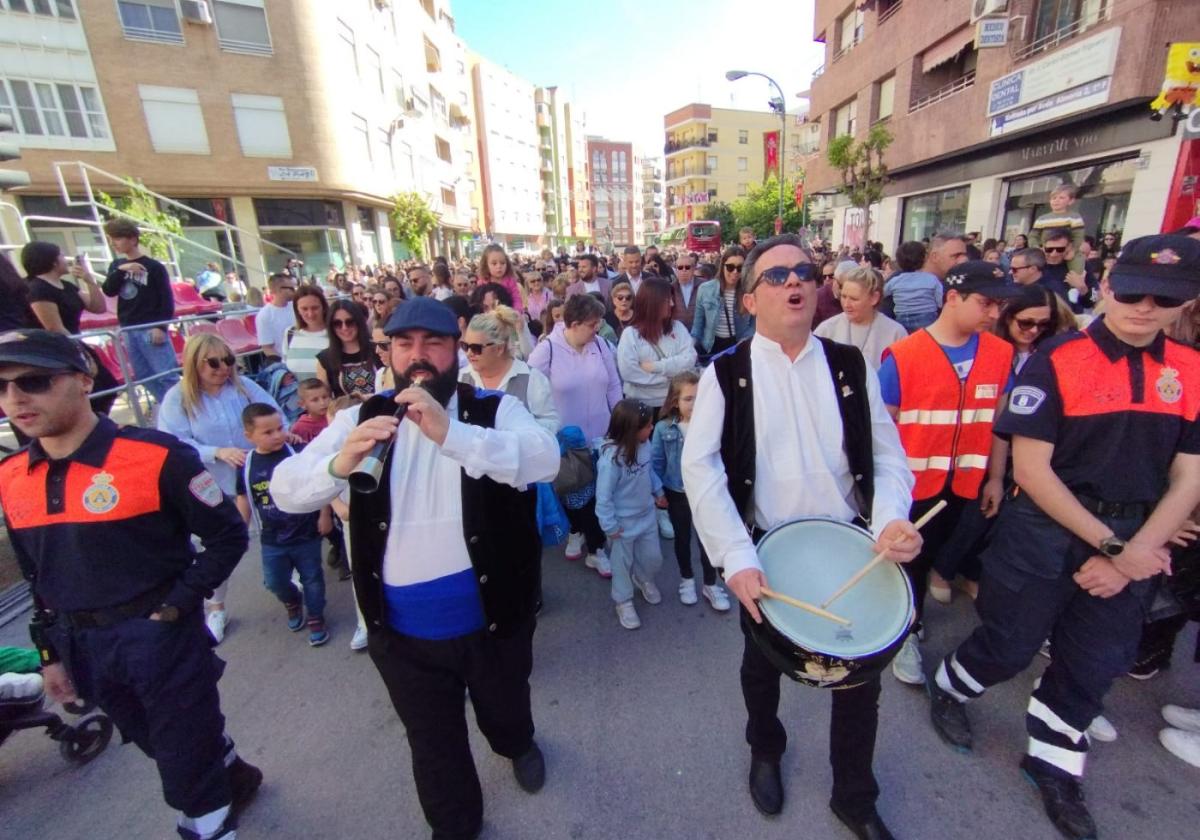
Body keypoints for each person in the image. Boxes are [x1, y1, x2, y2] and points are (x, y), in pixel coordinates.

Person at [926, 235, 1200, 840]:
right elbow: (1033, 469)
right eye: (1133, 291)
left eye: (1165, 297)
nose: (1146, 307)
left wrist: (1132, 558)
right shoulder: (1058, 359)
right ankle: (948, 686)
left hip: (1136, 535)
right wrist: (1114, 549)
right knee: (1011, 643)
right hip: (1047, 531)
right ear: (1105, 286)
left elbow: (1190, 476)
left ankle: (1053, 761)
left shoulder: (1190, 371)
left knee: (1095, 659)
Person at [270, 296, 559, 840]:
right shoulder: (360, 417)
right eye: (405, 344)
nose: (418, 356)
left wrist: (451, 434)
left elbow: (543, 458)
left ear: (456, 351)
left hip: (493, 623)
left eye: (433, 343)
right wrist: (340, 461)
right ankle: (456, 826)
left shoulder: (494, 409)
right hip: (403, 637)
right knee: (432, 743)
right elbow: (287, 493)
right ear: (390, 352)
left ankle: (516, 744)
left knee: (505, 709)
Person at [680, 234, 919, 839]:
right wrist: (734, 557)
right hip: (766, 550)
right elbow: (700, 466)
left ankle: (854, 798)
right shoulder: (725, 374)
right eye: (777, 274)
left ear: (819, 288)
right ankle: (765, 747)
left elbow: (887, 455)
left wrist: (892, 515)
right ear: (750, 299)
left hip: (850, 548)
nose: (795, 281)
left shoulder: (847, 364)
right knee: (761, 668)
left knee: (859, 682)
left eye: (805, 271)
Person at [0, 328, 261, 840]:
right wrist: (51, 656)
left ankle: (209, 822)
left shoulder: (158, 456)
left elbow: (228, 537)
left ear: (83, 379)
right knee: (161, 744)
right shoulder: (10, 475)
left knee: (186, 776)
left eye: (34, 381)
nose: (16, 398)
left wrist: (178, 604)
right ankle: (232, 772)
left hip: (162, 642)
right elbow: (38, 575)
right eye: (3, 386)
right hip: (84, 647)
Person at [877, 260, 1018, 683]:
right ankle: (905, 632)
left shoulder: (999, 353)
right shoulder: (903, 356)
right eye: (986, 303)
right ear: (952, 298)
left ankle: (910, 620)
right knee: (908, 562)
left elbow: (998, 422)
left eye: (1000, 305)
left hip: (968, 483)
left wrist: (995, 476)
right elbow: (883, 430)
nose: (995, 314)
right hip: (913, 486)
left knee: (941, 554)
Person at [158, 333, 283, 644]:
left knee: (276, 527)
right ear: (195, 363)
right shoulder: (178, 397)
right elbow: (174, 441)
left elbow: (275, 415)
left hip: (254, 477)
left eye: (228, 360)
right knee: (215, 547)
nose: (223, 368)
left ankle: (291, 580)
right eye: (214, 362)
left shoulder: (244, 387)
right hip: (211, 483)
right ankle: (216, 606)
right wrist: (216, 451)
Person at [529, 294, 622, 576]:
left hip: (602, 437)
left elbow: (613, 385)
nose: (598, 329)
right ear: (575, 323)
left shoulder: (602, 345)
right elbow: (530, 388)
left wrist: (620, 425)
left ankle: (589, 542)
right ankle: (586, 538)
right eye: (593, 324)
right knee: (575, 492)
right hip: (568, 442)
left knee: (597, 493)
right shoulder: (548, 350)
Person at [235, 403, 331, 647]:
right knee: (274, 581)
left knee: (313, 578)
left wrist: (324, 514)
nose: (277, 435)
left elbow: (318, 483)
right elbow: (244, 498)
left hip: (305, 532)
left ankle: (316, 616)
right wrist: (240, 532)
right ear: (249, 436)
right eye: (268, 432)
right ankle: (292, 601)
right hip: (271, 538)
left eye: (280, 428)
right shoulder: (246, 465)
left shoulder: (297, 452)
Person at [652, 371, 729, 610]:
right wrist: (659, 492)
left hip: (707, 493)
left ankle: (710, 583)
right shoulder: (663, 428)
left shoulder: (713, 424)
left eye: (699, 397)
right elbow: (655, 463)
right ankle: (686, 579)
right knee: (682, 538)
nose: (694, 404)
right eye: (688, 399)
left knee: (708, 540)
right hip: (678, 494)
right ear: (675, 401)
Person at [596, 399, 667, 629]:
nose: (652, 428)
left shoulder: (644, 445)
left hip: (647, 516)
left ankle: (643, 578)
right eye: (647, 425)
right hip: (622, 525)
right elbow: (603, 497)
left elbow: (649, 472)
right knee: (620, 565)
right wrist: (610, 526)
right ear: (631, 429)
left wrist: (658, 491)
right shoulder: (611, 460)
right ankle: (623, 601)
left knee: (653, 557)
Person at [101, 219, 178, 404]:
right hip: (128, 327)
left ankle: (180, 409)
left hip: (149, 326)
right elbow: (109, 290)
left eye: (118, 239)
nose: (114, 244)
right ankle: (167, 405)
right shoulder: (116, 266)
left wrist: (161, 326)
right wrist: (121, 270)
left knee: (166, 374)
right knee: (143, 375)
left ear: (133, 239)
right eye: (112, 239)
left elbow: (166, 299)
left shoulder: (154, 267)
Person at [457, 305, 558, 435]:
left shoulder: (531, 379)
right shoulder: (461, 378)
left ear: (499, 348)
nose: (469, 353)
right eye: (465, 346)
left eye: (476, 348)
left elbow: (551, 425)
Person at [617, 278, 698, 413]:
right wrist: (670, 377)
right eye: (667, 300)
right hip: (640, 406)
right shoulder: (630, 335)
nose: (672, 304)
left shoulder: (678, 328)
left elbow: (690, 359)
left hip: (673, 404)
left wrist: (657, 367)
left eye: (672, 299)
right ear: (652, 303)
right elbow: (629, 372)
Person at [815, 266, 908, 370]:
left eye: (854, 299)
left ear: (874, 298)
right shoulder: (826, 330)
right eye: (844, 296)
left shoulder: (896, 333)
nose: (846, 304)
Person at [693, 246, 754, 358]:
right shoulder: (706, 289)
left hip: (738, 346)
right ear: (722, 266)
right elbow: (698, 323)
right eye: (730, 267)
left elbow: (754, 324)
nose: (735, 272)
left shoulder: (750, 291)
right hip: (711, 346)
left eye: (740, 268)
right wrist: (691, 349)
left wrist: (745, 340)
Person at [317, 300, 375, 400]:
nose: (344, 328)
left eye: (350, 322)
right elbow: (326, 399)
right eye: (337, 323)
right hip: (345, 414)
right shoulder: (325, 359)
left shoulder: (378, 349)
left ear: (358, 322)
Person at [883, 241, 944, 332]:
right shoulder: (932, 279)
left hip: (902, 320)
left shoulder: (895, 281)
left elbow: (882, 293)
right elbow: (940, 302)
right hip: (927, 319)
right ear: (924, 259)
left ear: (899, 262)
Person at [1028, 183, 1087, 273]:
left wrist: (1073, 250)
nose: (1056, 201)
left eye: (1061, 198)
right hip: (1046, 251)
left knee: (1077, 264)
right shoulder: (1042, 219)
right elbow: (1033, 236)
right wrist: (1037, 248)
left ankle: (1074, 284)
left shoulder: (1074, 217)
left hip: (1067, 250)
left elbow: (1078, 236)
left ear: (1071, 201)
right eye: (1054, 198)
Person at [1040, 228, 1098, 314]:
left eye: (1060, 249)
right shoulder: (1033, 263)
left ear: (1069, 247)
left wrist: (1083, 289)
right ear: (1042, 247)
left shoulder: (1081, 266)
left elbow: (1094, 297)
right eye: (1049, 249)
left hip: (1070, 319)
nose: (1054, 254)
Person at [283, 285, 330, 380]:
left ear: (323, 307)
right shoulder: (290, 333)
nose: (310, 314)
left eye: (315, 308)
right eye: (304, 309)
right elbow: (284, 364)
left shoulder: (335, 332)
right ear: (297, 310)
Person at [255, 273, 298, 361]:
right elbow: (267, 347)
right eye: (291, 288)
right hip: (286, 363)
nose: (295, 291)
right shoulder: (265, 315)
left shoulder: (297, 306)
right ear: (279, 290)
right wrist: (282, 365)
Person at [477, 244, 524, 314]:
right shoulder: (483, 282)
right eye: (494, 263)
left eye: (502, 263)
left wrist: (517, 311)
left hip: (508, 314)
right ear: (486, 265)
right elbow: (479, 302)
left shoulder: (510, 280)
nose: (499, 266)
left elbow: (516, 298)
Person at [291, 378, 333, 444]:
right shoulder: (301, 427)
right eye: (315, 400)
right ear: (302, 404)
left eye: (325, 397)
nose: (322, 403)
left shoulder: (336, 417)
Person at [669, 252, 702, 332]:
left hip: (700, 333)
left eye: (687, 267)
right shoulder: (670, 288)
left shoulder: (703, 286)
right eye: (680, 267)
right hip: (679, 334)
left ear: (694, 268)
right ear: (676, 270)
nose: (684, 270)